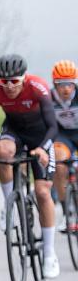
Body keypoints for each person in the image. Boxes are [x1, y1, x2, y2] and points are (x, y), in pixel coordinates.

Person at [0, 54, 59, 278]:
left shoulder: (38, 87)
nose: (9, 86)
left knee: (42, 192)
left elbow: (53, 126)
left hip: (41, 135)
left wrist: (42, 148)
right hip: (14, 131)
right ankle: (9, 204)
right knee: (3, 152)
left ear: (24, 78)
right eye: (5, 82)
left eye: (14, 81)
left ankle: (49, 253)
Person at [49, 60, 78, 231]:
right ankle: (67, 212)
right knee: (59, 166)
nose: (66, 89)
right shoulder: (48, 98)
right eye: (61, 84)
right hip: (63, 135)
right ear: (55, 84)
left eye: (70, 84)